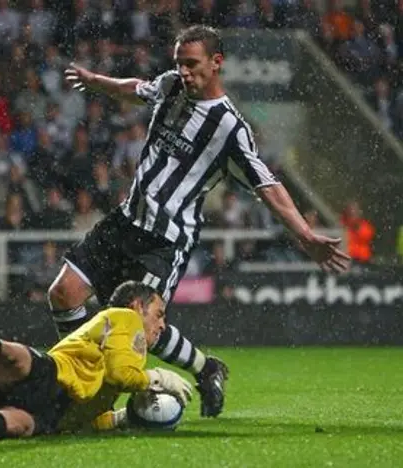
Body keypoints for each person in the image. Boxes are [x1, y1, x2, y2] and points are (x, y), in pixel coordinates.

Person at [50, 24, 351, 418]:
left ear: (216, 63)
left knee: (140, 331)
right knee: (63, 293)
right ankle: (84, 375)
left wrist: (304, 233)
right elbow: (135, 88)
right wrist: (95, 81)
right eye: (179, 63)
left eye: (192, 64)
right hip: (125, 221)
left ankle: (111, 397)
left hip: (165, 240)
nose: (184, 72)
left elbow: (268, 184)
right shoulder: (172, 85)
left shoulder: (229, 128)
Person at [0, 281, 193, 440]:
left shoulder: (127, 354)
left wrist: (123, 419)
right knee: (10, 356)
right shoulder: (125, 318)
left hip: (55, 412)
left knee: (6, 419)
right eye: (159, 314)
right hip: (53, 378)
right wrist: (156, 378)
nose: (162, 324)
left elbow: (90, 415)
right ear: (137, 305)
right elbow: (121, 373)